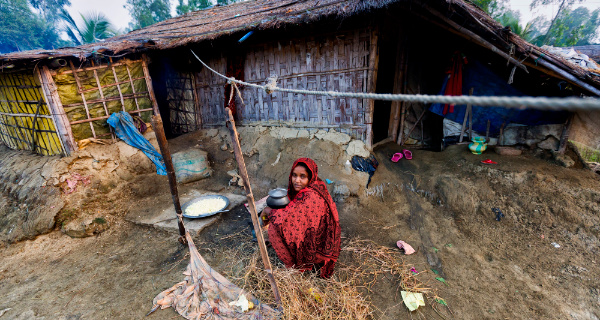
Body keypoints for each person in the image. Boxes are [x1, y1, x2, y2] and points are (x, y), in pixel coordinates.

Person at [262, 158, 341, 278]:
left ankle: (292, 265)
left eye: (302, 176)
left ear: (310, 177)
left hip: (317, 246)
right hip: (323, 242)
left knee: (274, 227)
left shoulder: (309, 195)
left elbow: (284, 220)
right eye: (294, 175)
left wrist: (266, 211)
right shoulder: (317, 186)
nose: (297, 180)